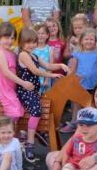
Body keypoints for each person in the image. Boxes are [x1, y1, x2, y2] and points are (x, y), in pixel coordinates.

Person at [16, 28, 68, 160]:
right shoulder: (23, 55)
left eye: (33, 42)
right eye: (27, 42)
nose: (31, 45)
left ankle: (39, 131)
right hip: (25, 90)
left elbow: (48, 65)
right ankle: (30, 144)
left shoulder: (34, 55)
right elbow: (35, 71)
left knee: (46, 106)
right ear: (21, 43)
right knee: (36, 110)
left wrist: (61, 65)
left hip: (34, 90)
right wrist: (52, 75)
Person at [0, 22, 29, 134]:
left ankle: (16, 133)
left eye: (12, 38)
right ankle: (2, 132)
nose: (10, 41)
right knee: (15, 112)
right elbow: (6, 72)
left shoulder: (11, 53)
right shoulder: (0, 53)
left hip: (11, 88)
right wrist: (23, 83)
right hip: (3, 89)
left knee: (23, 108)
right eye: (7, 37)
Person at [65, 27, 97, 132]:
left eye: (91, 39)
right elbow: (73, 68)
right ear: (81, 41)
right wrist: (70, 80)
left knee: (92, 105)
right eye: (86, 39)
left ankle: (92, 124)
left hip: (94, 84)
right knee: (77, 104)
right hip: (80, 84)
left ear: (95, 41)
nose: (89, 41)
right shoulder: (77, 53)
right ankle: (74, 123)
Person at [32, 23, 54, 93]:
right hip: (34, 78)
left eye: (43, 33)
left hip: (45, 78)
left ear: (47, 35)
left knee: (46, 100)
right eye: (38, 33)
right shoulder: (31, 49)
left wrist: (47, 80)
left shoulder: (50, 49)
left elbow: (50, 66)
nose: (40, 36)